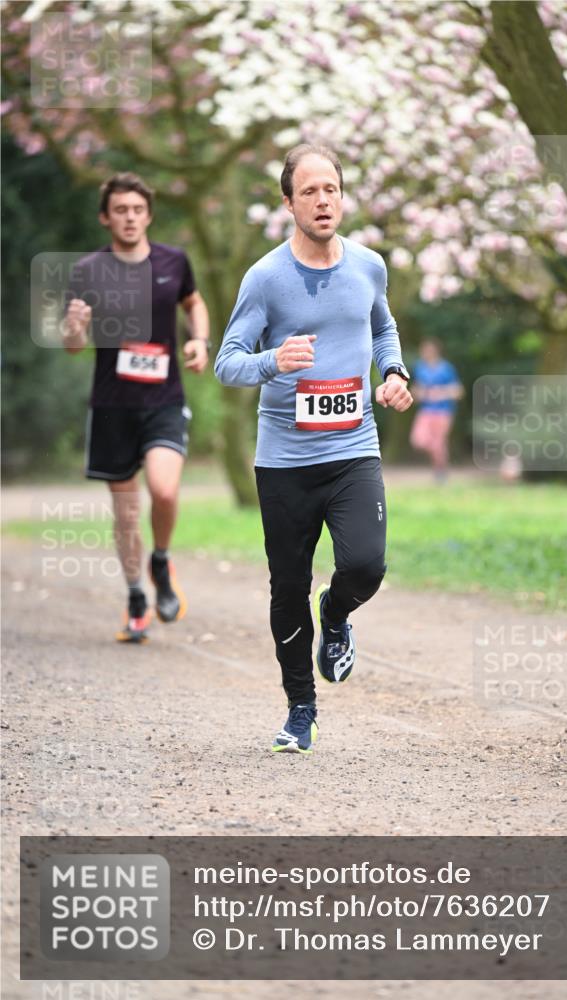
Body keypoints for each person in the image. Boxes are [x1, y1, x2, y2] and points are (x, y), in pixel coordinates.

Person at [215, 144, 412, 755]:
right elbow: (228, 364)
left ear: (342, 197)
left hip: (354, 448)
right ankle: (301, 708)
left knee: (365, 565)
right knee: (286, 587)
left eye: (331, 189)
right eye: (309, 192)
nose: (323, 201)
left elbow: (381, 325)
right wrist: (276, 360)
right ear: (288, 203)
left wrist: (395, 371)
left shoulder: (369, 266)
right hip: (285, 462)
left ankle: (337, 613)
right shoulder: (266, 278)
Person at [62, 172, 210, 643]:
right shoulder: (87, 270)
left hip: (164, 400)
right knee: (126, 513)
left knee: (164, 492)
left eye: (137, 210)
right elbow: (72, 346)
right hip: (112, 406)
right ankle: (135, 597)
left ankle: (160, 562)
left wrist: (200, 341)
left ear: (148, 215)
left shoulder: (174, 261)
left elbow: (194, 302)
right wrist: (74, 326)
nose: (129, 217)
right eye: (120, 210)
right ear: (106, 217)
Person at [409, 339, 463, 480]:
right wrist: (420, 394)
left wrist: (441, 393)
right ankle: (441, 463)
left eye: (428, 349)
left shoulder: (446, 368)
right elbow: (416, 389)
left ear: (435, 350)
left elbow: (458, 391)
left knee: (439, 442)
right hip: (426, 410)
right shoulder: (420, 368)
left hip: (443, 411)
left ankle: (440, 471)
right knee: (419, 440)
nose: (425, 352)